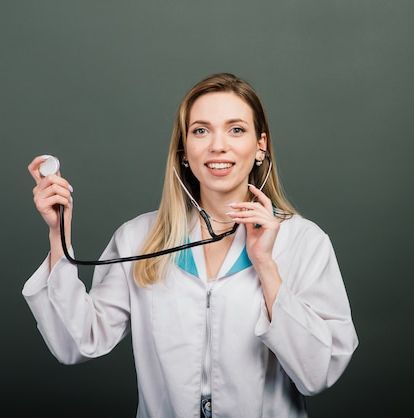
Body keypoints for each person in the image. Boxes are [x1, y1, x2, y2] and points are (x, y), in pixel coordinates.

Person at [23, 72, 358, 418]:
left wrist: (266, 267)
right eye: (201, 130)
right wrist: (58, 235)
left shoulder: (303, 242)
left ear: (261, 146)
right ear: (184, 150)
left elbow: (318, 373)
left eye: (236, 129)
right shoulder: (138, 238)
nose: (217, 146)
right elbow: (76, 342)